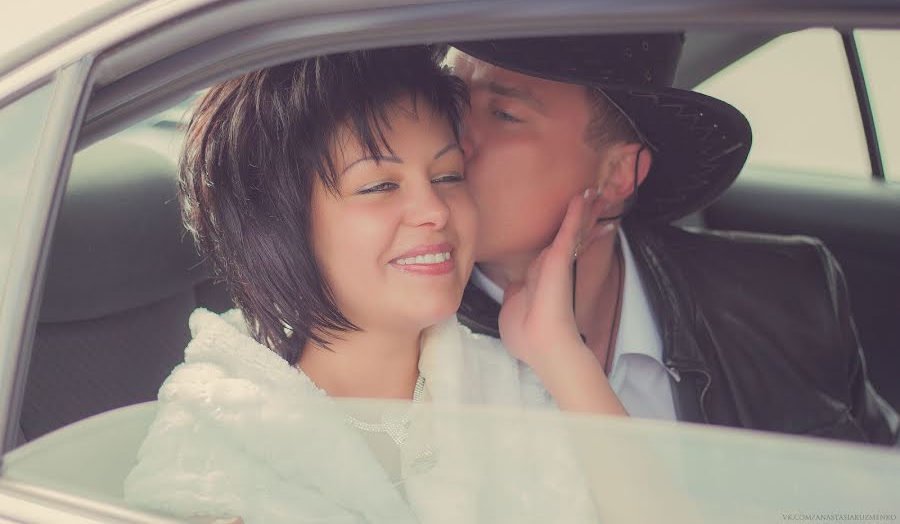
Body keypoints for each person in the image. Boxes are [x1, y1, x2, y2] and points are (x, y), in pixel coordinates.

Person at [124, 47, 623, 523]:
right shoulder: (211, 445)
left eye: (448, 176)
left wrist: (560, 352)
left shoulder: (507, 389)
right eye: (380, 186)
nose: (434, 210)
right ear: (277, 223)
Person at [447, 34, 898, 443]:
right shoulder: (408, 339)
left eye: (504, 114)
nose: (451, 138)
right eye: (450, 98)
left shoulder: (789, 299)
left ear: (618, 175)